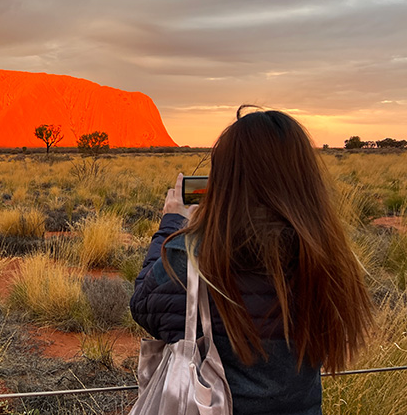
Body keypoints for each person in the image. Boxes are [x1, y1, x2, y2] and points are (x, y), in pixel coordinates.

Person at [130, 106, 372, 415]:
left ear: (224, 182)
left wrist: (173, 222)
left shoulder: (192, 255)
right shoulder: (328, 259)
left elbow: (143, 304)